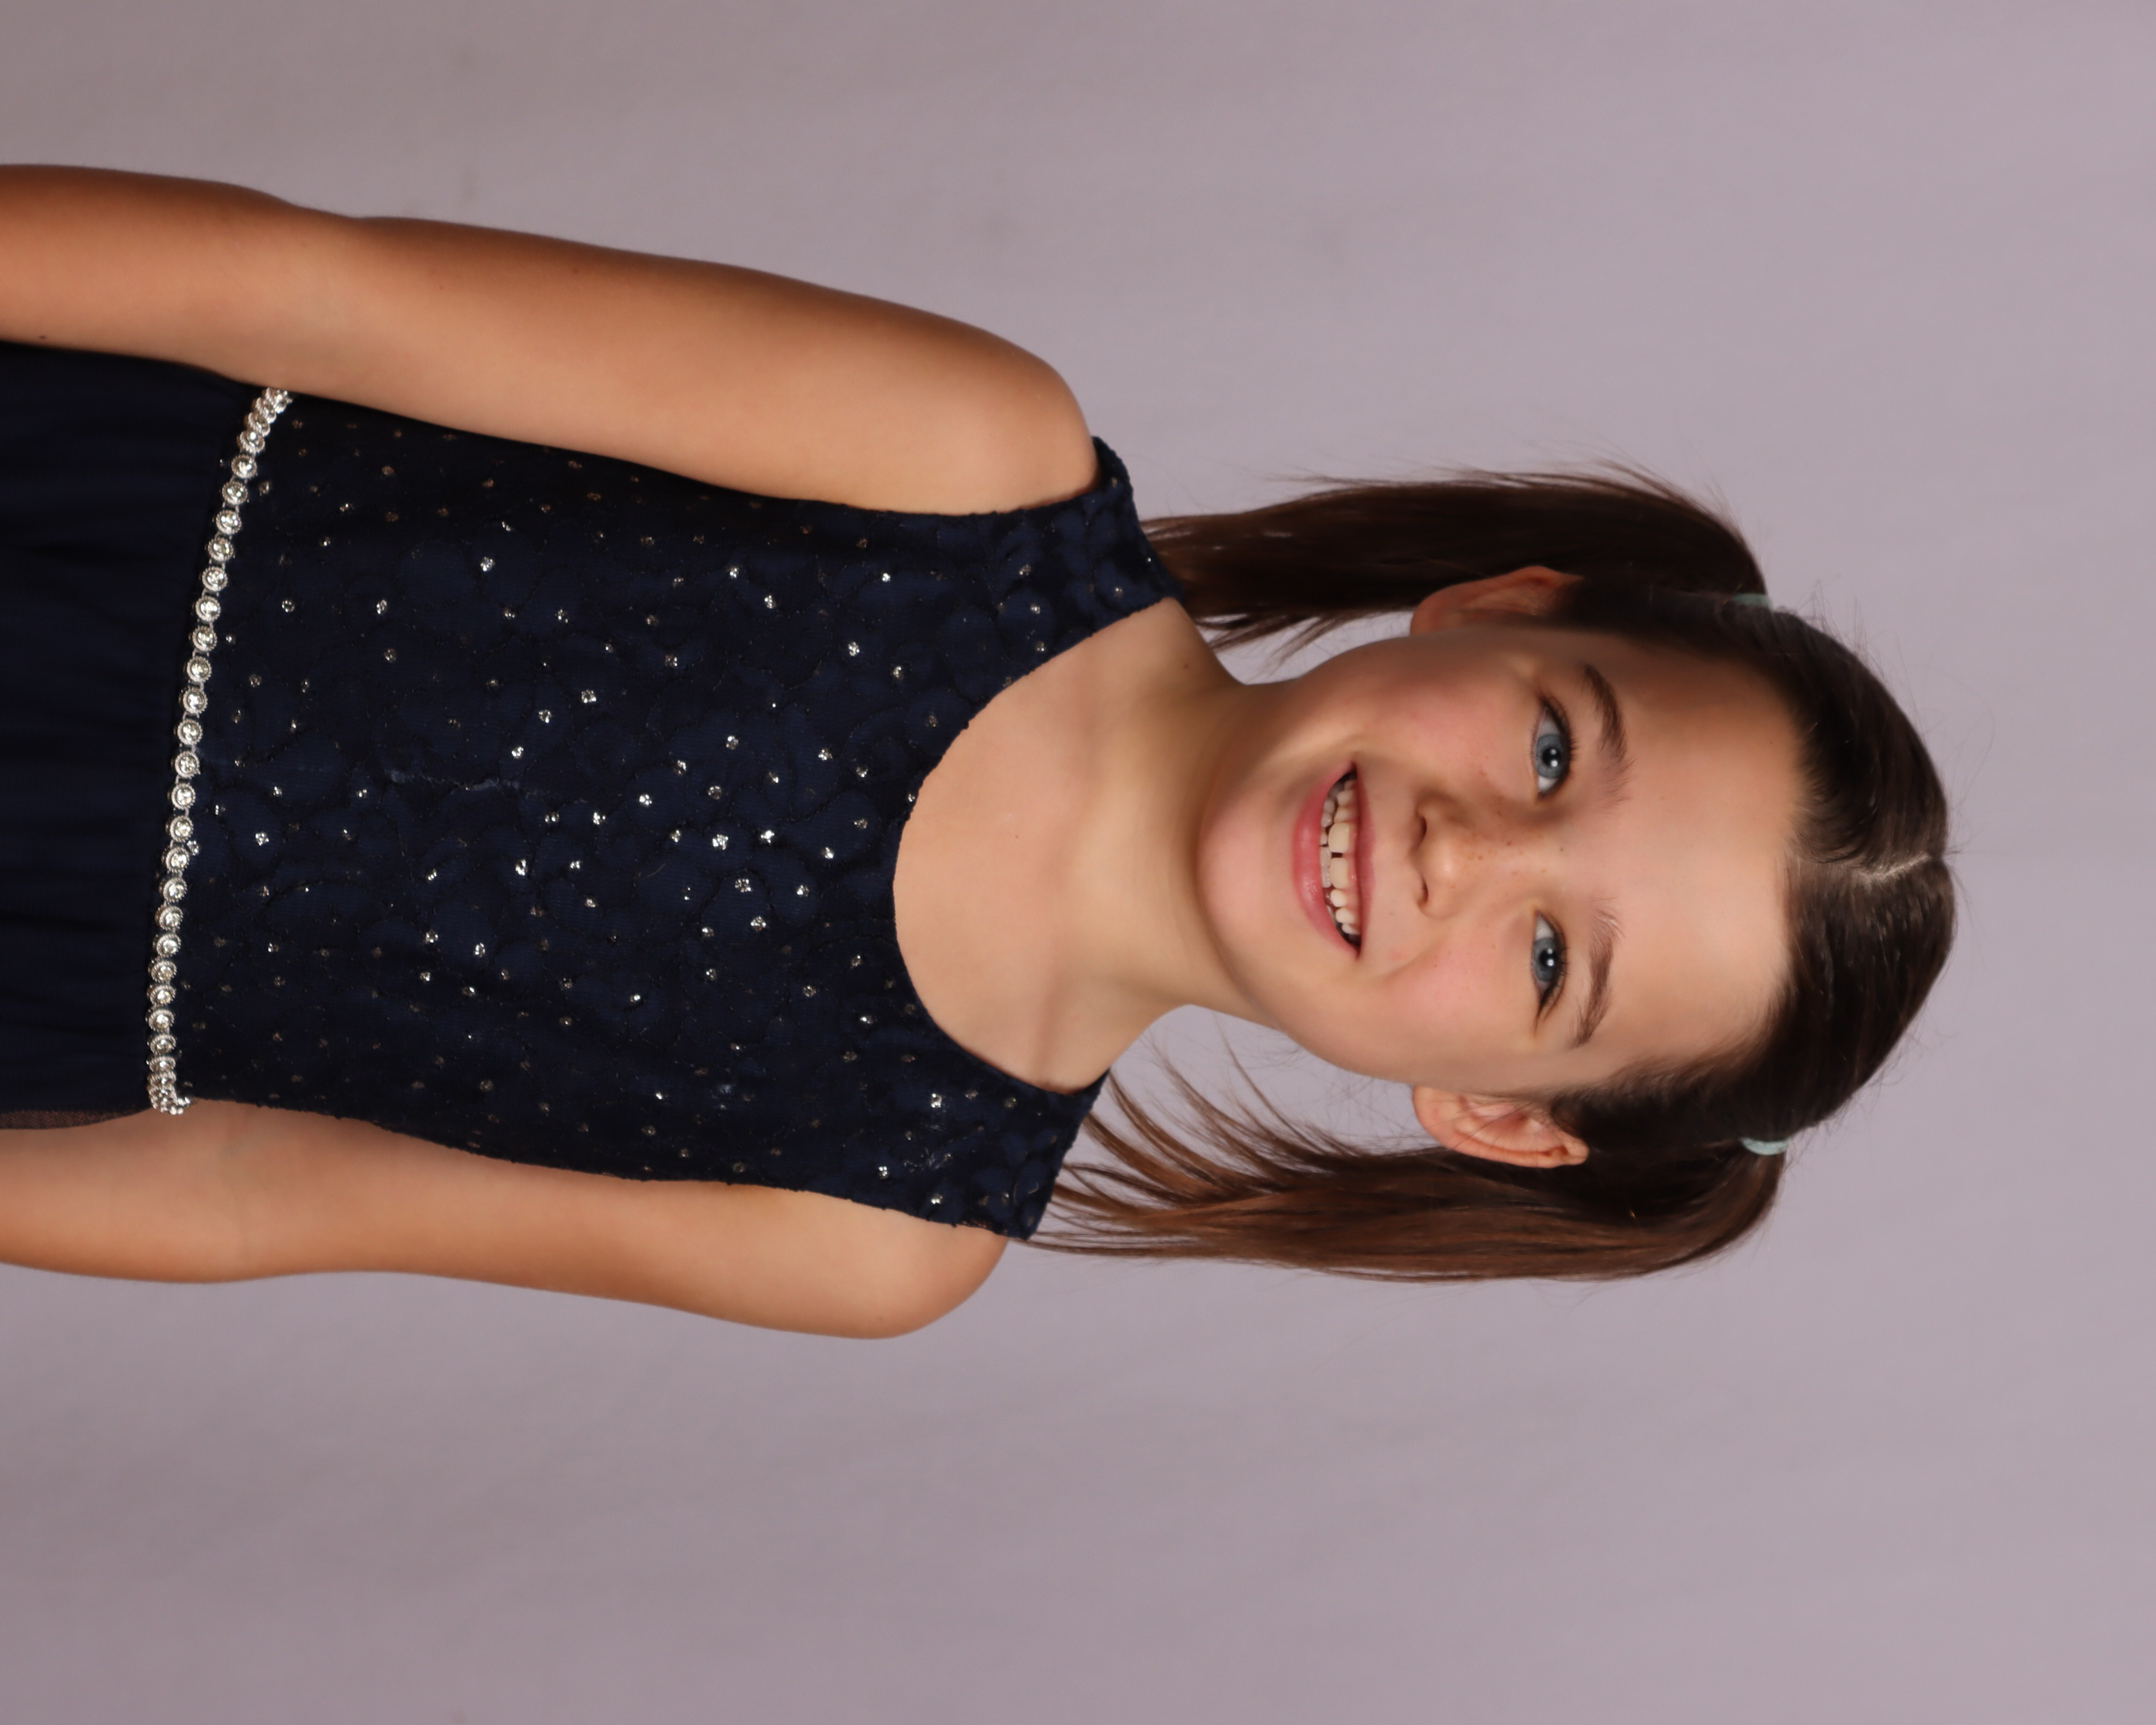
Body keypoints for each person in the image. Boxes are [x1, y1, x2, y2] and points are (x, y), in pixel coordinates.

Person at [0, 169, 1953, 1337]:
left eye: (1546, 960)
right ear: (1497, 606)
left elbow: (251, 1192)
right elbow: (304, 293)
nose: (1461, 850)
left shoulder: (881, 1225)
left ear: (1504, 1116)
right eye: (1547, 748)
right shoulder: (960, 465)